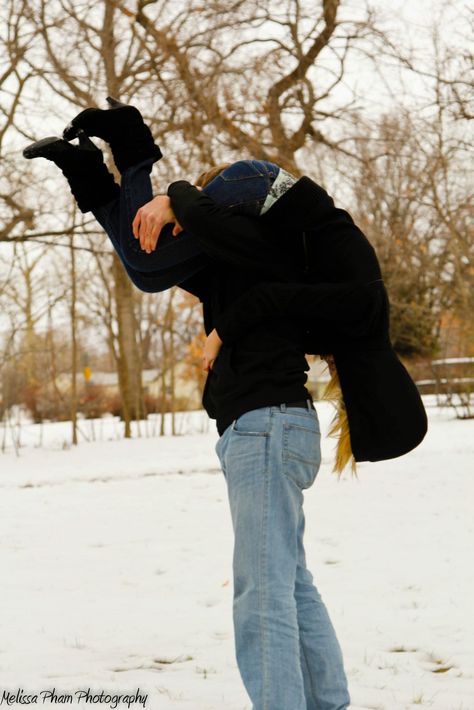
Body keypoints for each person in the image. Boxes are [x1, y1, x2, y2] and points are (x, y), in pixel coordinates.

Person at [23, 97, 427, 710]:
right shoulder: (279, 267)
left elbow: (240, 294)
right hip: (266, 419)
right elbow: (165, 267)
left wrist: (160, 198)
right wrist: (169, 198)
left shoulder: (300, 283)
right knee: (286, 585)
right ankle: (116, 154)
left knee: (266, 592)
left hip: (265, 427)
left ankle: (121, 153)